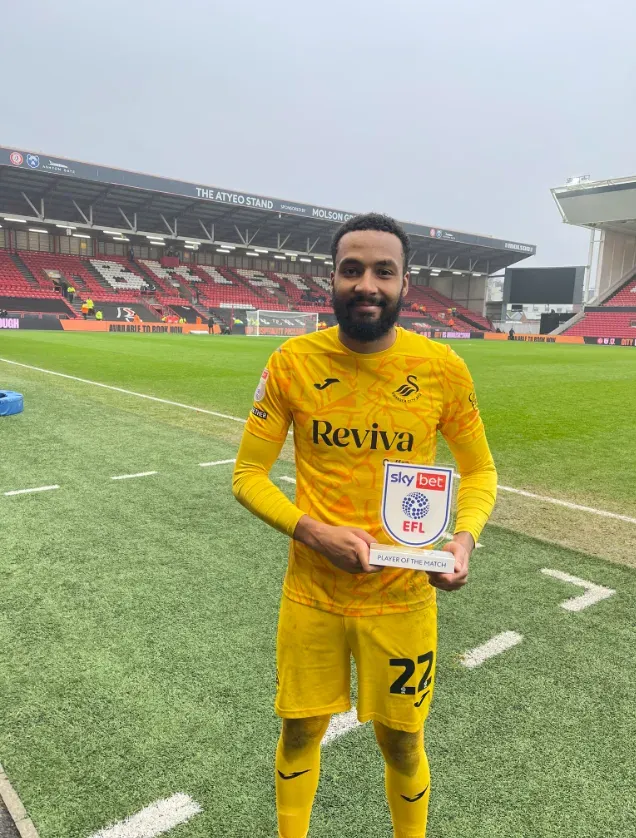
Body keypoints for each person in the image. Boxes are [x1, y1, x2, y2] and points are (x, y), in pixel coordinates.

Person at [232, 213, 497, 838]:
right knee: (300, 729)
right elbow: (247, 474)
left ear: (406, 283)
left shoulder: (442, 370)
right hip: (312, 596)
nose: (367, 284)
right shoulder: (292, 360)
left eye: (384, 271)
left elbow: (481, 473)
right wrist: (312, 531)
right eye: (353, 270)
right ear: (332, 279)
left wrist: (463, 539)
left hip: (405, 599)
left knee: (402, 742)